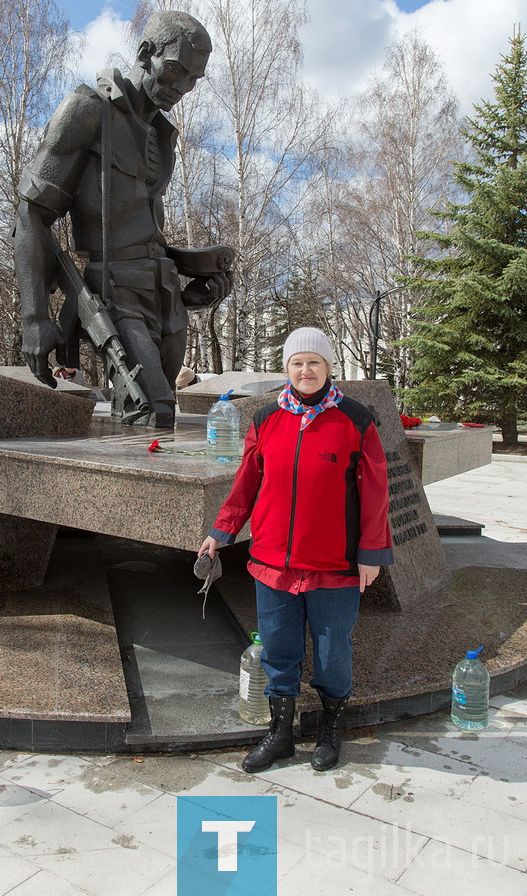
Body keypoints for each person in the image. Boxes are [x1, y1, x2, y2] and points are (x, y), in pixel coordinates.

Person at [12, 11, 232, 427]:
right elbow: (31, 215)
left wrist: (193, 283)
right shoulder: (87, 110)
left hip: (165, 298)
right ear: (146, 53)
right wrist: (34, 317)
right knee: (155, 409)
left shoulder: (162, 137)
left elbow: (146, 234)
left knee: (150, 418)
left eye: (192, 80)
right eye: (174, 71)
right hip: (115, 295)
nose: (181, 88)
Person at [197, 327, 393, 772]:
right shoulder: (266, 419)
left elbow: (376, 491)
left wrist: (372, 554)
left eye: (315, 363)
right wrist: (222, 530)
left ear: (328, 368)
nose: (306, 371)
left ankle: (329, 729)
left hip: (335, 566)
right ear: (287, 369)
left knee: (332, 654)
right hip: (273, 563)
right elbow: (247, 482)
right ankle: (280, 734)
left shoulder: (356, 419)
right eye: (297, 363)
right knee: (279, 651)